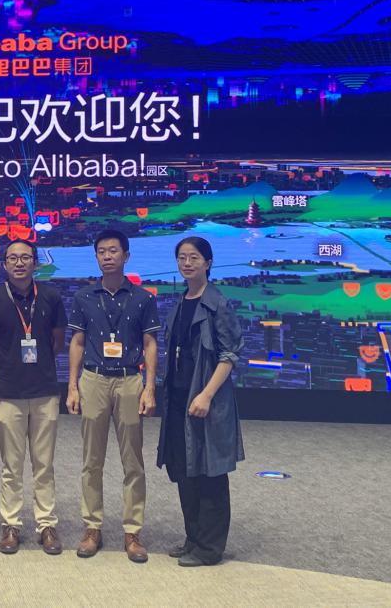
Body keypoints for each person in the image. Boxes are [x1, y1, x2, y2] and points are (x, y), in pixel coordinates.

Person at [67, 229, 159, 564]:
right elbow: (77, 342)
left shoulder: (143, 298)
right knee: (91, 460)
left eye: (113, 251)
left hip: (129, 380)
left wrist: (150, 387)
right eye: (102, 252)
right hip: (93, 380)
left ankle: (132, 531)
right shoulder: (83, 297)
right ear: (97, 257)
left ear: (126, 256)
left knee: (132, 461)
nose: (107, 256)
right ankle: (92, 527)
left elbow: (150, 344)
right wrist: (72, 385)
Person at [158, 236, 244, 567]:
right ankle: (193, 538)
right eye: (182, 257)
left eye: (194, 257)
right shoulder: (181, 302)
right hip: (179, 400)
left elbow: (229, 355)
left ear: (208, 263)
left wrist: (206, 394)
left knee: (210, 473)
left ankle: (210, 548)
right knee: (185, 470)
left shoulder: (217, 303)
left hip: (207, 401)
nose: (187, 263)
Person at [0, 239, 66, 555]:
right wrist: (9, 363)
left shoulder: (51, 297)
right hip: (8, 391)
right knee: (11, 465)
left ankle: (47, 525)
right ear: (4, 264)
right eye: (13, 258)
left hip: (45, 389)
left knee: (44, 463)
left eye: (25, 257)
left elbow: (57, 341)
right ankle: (11, 524)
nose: (19, 263)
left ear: (35, 263)